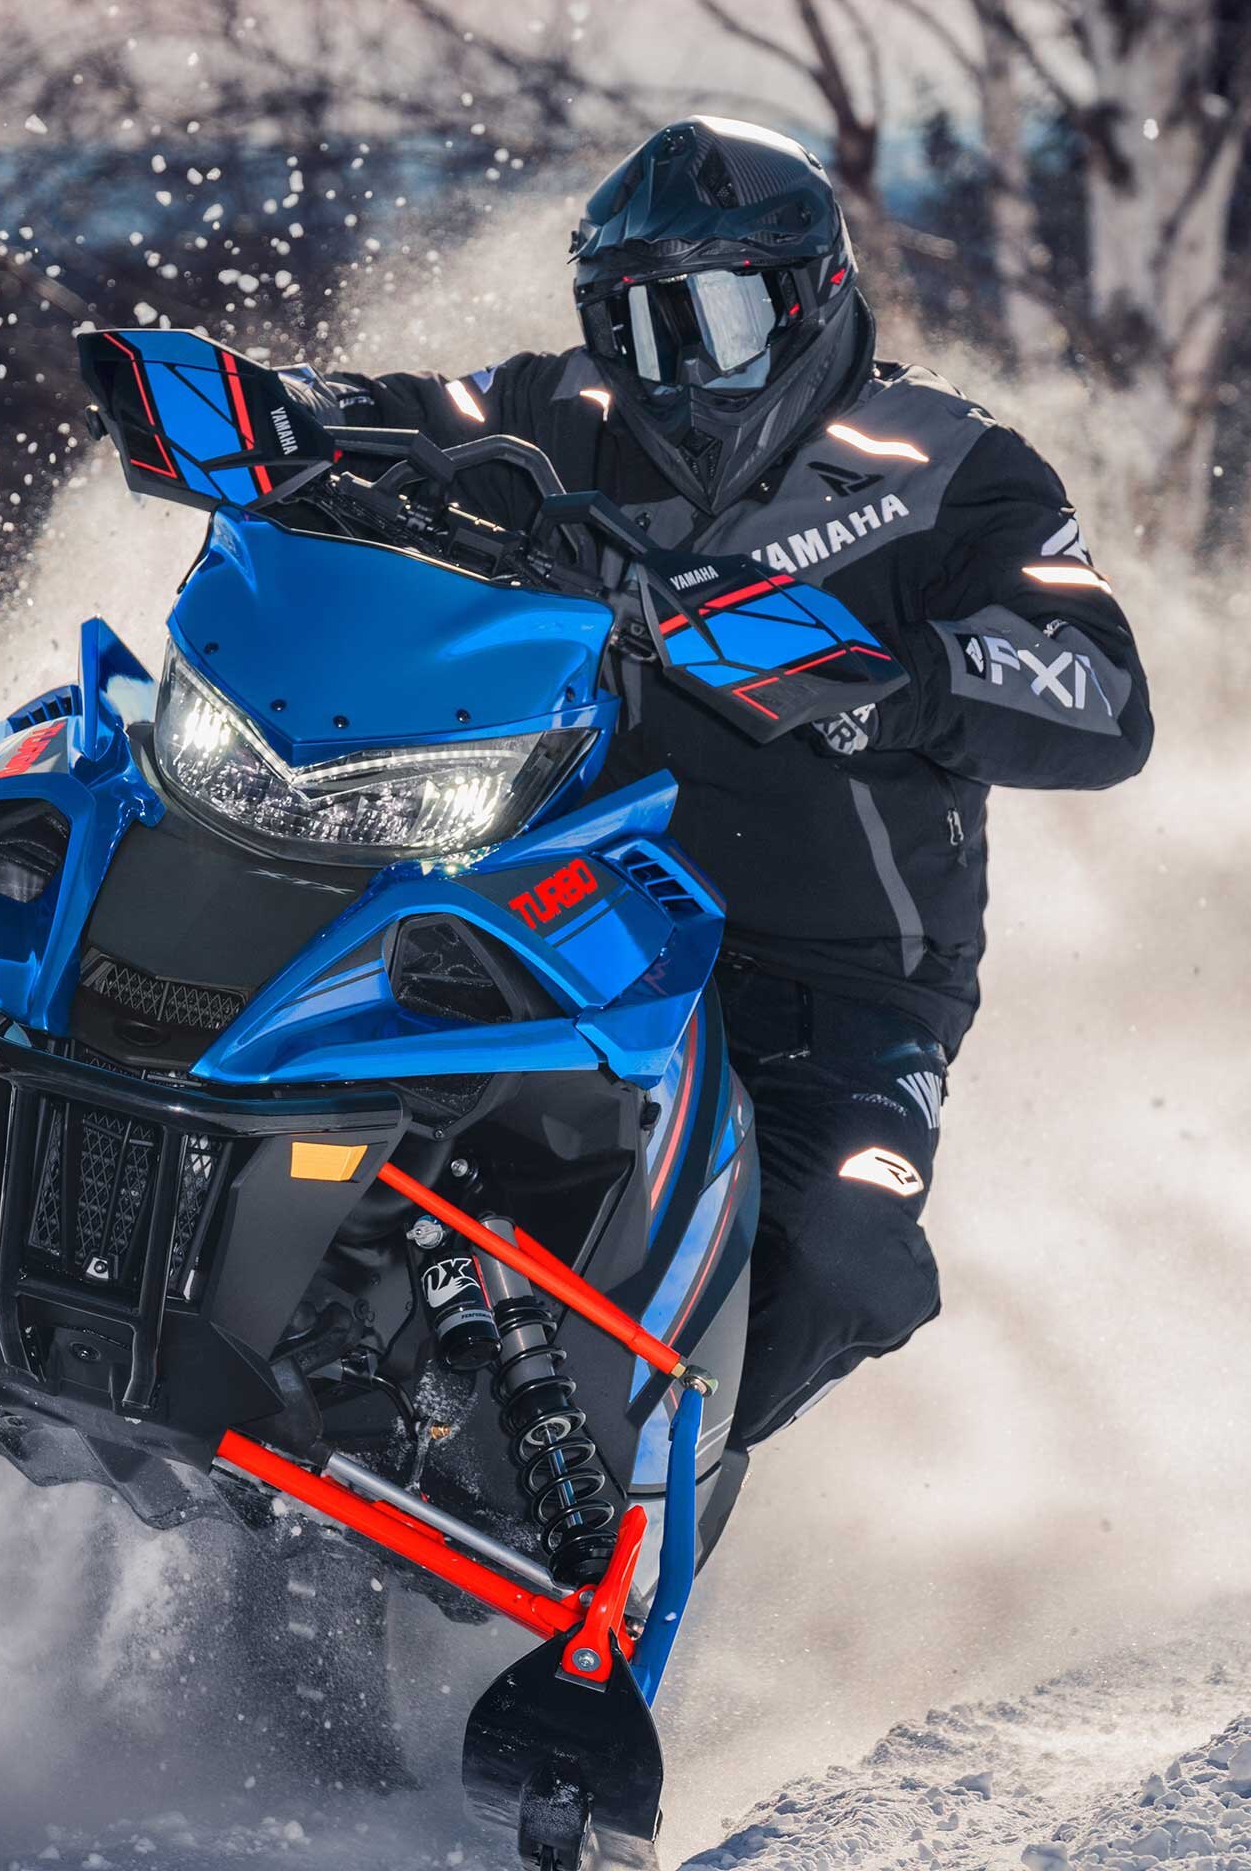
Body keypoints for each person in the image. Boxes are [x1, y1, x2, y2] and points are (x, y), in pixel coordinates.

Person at [287, 115, 1153, 1449]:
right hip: (576, 905)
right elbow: (412, 424)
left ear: (811, 296)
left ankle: (655, 1475)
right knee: (350, 1034)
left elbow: (1102, 693)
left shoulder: (954, 468)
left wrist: (890, 679)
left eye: (719, 321)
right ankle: (301, 1345)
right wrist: (274, 411)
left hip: (843, 980)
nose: (677, 372)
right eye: (636, 328)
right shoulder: (563, 414)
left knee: (849, 1250)